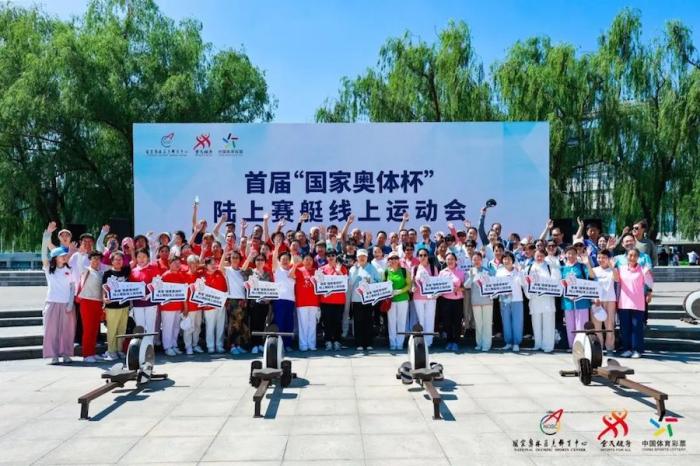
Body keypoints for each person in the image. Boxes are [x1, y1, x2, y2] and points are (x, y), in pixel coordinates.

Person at [41, 222, 77, 364]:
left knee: (67, 331)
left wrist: (70, 303)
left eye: (65, 255)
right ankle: (53, 355)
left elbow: (72, 287)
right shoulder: (49, 270)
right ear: (55, 257)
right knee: (51, 330)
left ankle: (66, 354)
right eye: (61, 256)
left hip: (66, 304)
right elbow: (44, 252)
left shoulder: (69, 270)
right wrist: (48, 234)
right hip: (52, 303)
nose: (64, 257)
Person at [617, 248, 654, 358]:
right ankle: (626, 349)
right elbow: (617, 283)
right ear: (627, 257)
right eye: (630, 255)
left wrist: (649, 293)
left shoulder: (643, 269)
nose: (632, 258)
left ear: (638, 257)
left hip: (638, 303)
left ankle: (637, 350)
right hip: (624, 302)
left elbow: (650, 282)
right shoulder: (621, 269)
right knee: (625, 327)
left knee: (637, 327)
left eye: (634, 255)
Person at [524, 249, 560, 353]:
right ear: (534, 256)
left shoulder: (550, 267)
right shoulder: (529, 268)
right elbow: (525, 283)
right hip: (535, 299)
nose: (539, 258)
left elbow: (556, 282)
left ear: (545, 256)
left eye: (541, 256)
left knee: (548, 323)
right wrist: (528, 294)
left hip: (547, 299)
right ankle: (538, 344)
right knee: (536, 323)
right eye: (537, 256)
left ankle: (548, 345)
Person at [560, 245, 594, 349]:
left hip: (582, 301)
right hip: (568, 301)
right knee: (570, 326)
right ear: (565, 255)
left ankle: (581, 347)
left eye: (573, 253)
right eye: (569, 253)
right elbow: (560, 284)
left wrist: (587, 263)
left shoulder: (582, 266)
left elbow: (591, 276)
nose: (571, 255)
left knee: (581, 325)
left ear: (576, 255)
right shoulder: (562, 268)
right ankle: (572, 347)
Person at [76, 251, 107, 362]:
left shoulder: (101, 273)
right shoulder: (86, 270)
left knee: (94, 330)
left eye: (98, 259)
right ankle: (87, 354)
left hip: (98, 303)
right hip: (87, 302)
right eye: (94, 258)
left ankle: (92, 352)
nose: (96, 261)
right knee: (88, 329)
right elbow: (79, 264)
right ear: (89, 260)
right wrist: (81, 252)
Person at [349, 249, 381, 351]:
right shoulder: (353, 268)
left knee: (368, 321)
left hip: (369, 299)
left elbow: (378, 281)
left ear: (367, 257)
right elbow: (351, 282)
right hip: (357, 299)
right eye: (360, 257)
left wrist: (371, 281)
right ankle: (359, 343)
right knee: (358, 322)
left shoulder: (372, 267)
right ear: (357, 258)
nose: (362, 258)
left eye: (364, 256)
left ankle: (368, 343)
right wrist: (356, 270)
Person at [101, 251, 131, 360]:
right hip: (112, 306)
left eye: (120, 259)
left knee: (122, 329)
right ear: (112, 261)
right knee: (112, 329)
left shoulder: (126, 272)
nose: (118, 261)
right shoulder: (107, 273)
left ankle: (119, 350)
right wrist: (104, 299)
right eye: (116, 259)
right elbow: (103, 288)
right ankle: (111, 351)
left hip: (125, 305)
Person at [464, 252, 495, 352]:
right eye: (474, 259)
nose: (476, 261)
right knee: (478, 324)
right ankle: (479, 343)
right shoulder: (469, 272)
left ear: (482, 260)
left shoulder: (487, 271)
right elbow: (466, 286)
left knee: (487, 323)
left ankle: (487, 344)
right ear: (472, 261)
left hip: (487, 301)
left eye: (478, 259)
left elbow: (493, 284)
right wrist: (471, 277)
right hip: (476, 301)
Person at [242, 253, 272, 353]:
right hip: (253, 303)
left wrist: (269, 299)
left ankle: (260, 344)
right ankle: (254, 344)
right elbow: (242, 271)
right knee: (254, 324)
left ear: (264, 262)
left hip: (264, 303)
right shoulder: (250, 272)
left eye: (262, 259)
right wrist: (249, 257)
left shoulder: (267, 274)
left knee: (262, 323)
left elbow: (271, 288)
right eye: (258, 260)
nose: (260, 261)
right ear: (255, 262)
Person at [129, 248, 160, 344]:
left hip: (151, 302)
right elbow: (131, 288)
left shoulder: (153, 268)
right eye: (139, 257)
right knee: (140, 327)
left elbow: (158, 285)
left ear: (148, 258)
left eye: (144, 256)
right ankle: (141, 347)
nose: (141, 259)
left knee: (150, 327)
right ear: (136, 258)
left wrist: (149, 295)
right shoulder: (133, 271)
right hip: (137, 303)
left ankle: (149, 347)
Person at [318, 250, 348, 350]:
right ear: (326, 257)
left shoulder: (342, 268)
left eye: (333, 255)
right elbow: (319, 284)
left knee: (337, 322)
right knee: (327, 322)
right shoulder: (321, 269)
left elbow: (345, 283)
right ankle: (328, 341)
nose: (331, 257)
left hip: (339, 301)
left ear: (336, 257)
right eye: (328, 255)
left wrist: (339, 271)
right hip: (325, 301)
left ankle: (337, 341)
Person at [497, 251, 525, 352]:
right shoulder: (499, 272)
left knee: (517, 322)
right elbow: (497, 286)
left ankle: (516, 343)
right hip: (504, 300)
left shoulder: (518, 270)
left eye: (509, 259)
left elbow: (523, 283)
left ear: (513, 260)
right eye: (504, 259)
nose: (506, 261)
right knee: (506, 322)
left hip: (517, 299)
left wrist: (521, 272)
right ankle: (508, 342)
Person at [411, 247, 440, 347]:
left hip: (431, 298)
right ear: (418, 257)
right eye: (420, 255)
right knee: (421, 320)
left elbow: (437, 282)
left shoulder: (433, 268)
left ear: (428, 256)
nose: (423, 257)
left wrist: (436, 293)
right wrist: (413, 287)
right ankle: (421, 341)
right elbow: (413, 282)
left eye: (425, 255)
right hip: (418, 297)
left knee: (430, 319)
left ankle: (429, 342)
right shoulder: (415, 268)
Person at [437, 252, 465, 352]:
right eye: (448, 259)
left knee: (457, 322)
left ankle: (456, 342)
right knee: (447, 322)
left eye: (452, 259)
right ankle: (449, 341)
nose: (450, 261)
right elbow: (439, 286)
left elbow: (464, 287)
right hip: (445, 300)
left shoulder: (461, 272)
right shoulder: (442, 272)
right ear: (445, 261)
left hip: (458, 300)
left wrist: (459, 289)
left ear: (456, 260)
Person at [160, 256, 187, 356]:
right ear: (169, 264)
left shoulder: (181, 275)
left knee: (176, 327)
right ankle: (167, 347)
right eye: (175, 262)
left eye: (179, 263)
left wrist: (185, 307)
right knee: (168, 327)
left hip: (178, 306)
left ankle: (174, 345)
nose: (177, 265)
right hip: (167, 307)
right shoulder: (165, 275)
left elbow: (184, 292)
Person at [272, 239, 296, 351]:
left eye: (287, 259)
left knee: (289, 323)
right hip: (279, 300)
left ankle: (287, 344)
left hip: (290, 300)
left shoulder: (293, 271)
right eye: (283, 259)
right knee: (280, 322)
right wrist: (276, 248)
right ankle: (279, 344)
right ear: (279, 261)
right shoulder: (277, 269)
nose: (285, 261)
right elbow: (274, 258)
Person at [221, 251, 247, 355]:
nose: (235, 259)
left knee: (240, 325)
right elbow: (220, 267)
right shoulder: (227, 270)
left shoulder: (242, 271)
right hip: (232, 300)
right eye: (233, 257)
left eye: (237, 257)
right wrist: (225, 252)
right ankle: (231, 346)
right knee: (232, 325)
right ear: (230, 259)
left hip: (242, 300)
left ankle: (238, 345)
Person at [592, 249, 618, 354]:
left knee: (609, 325)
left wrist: (612, 267)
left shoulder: (613, 269)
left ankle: (610, 347)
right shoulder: (594, 270)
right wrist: (594, 298)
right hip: (596, 301)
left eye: (603, 257)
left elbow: (617, 279)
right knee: (597, 326)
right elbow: (590, 284)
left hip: (610, 300)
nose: (601, 259)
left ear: (608, 259)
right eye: (599, 257)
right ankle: (599, 348)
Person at [385, 251, 411, 350]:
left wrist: (400, 291)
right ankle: (392, 343)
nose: (393, 260)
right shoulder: (386, 272)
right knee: (391, 322)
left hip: (402, 299)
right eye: (391, 258)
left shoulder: (404, 271)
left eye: (395, 258)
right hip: (390, 301)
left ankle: (400, 343)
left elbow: (409, 285)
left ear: (399, 260)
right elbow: (382, 285)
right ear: (388, 260)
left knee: (401, 322)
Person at [293, 254, 320, 351]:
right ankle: (303, 345)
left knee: (312, 324)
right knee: (303, 325)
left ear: (313, 262)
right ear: (303, 261)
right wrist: (295, 265)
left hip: (314, 302)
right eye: (306, 259)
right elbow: (290, 275)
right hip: (302, 302)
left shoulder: (316, 271)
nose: (308, 261)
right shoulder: (298, 270)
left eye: (310, 260)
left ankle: (312, 344)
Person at [184, 255, 205, 354]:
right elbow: (183, 293)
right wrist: (185, 307)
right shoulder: (184, 275)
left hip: (199, 306)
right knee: (189, 327)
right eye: (192, 263)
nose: (195, 265)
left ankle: (195, 344)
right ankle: (188, 346)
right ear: (188, 264)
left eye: (196, 263)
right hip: (189, 307)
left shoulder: (200, 275)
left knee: (197, 326)